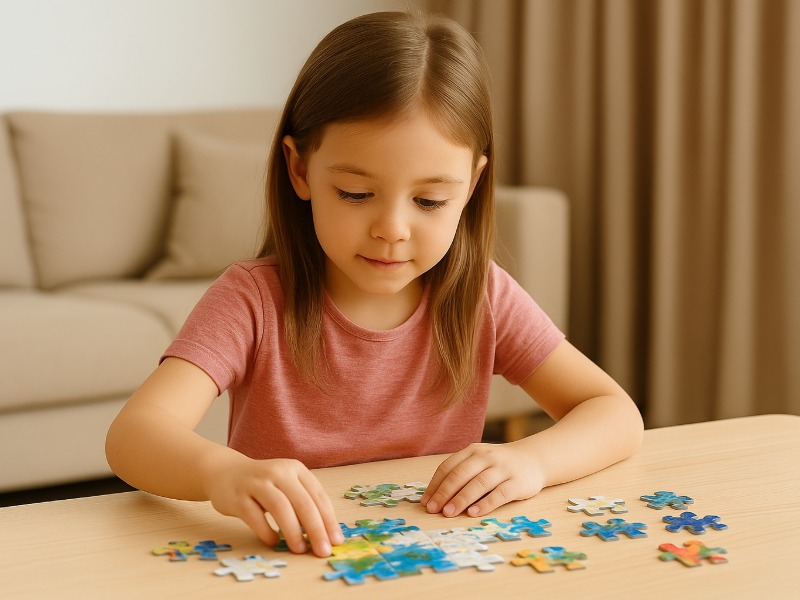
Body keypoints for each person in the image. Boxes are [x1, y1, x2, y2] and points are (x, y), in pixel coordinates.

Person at [105, 11, 643, 559]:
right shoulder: (252, 299)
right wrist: (222, 473)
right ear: (299, 170)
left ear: (472, 185)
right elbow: (134, 435)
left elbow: (613, 411)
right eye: (356, 194)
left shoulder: (480, 293)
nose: (392, 229)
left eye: (430, 200)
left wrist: (532, 461)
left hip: (437, 558)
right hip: (288, 559)